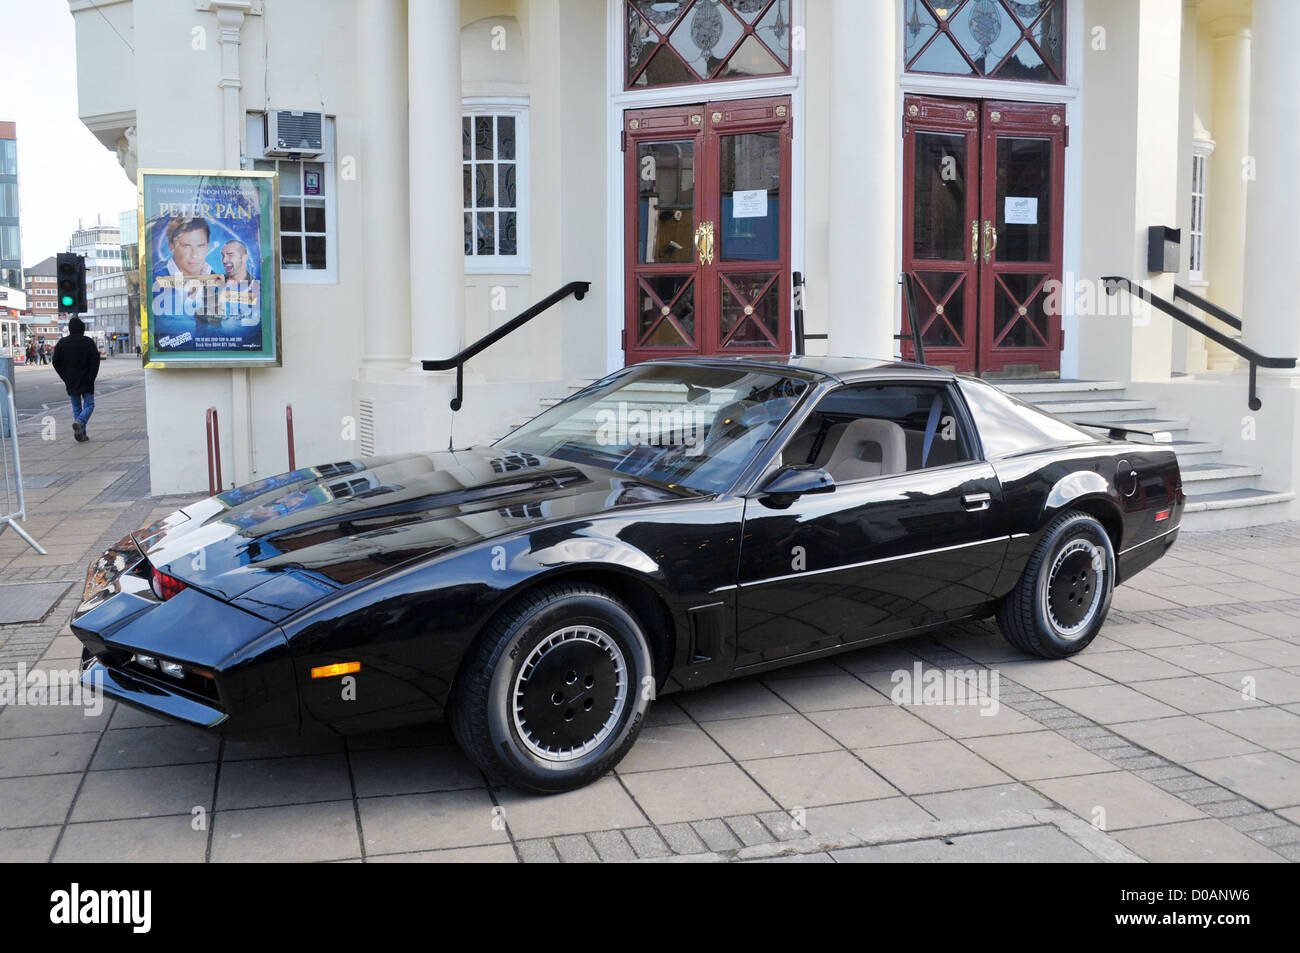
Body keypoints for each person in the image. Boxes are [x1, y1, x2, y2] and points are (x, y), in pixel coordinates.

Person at [51, 317, 101, 443]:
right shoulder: (88, 342)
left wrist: (65, 376)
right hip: (87, 379)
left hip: (71, 381)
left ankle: (81, 433)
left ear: (70, 329)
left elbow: (56, 362)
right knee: (89, 405)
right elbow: (95, 361)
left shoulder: (62, 343)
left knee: (76, 408)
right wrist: (91, 376)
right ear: (82, 329)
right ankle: (80, 422)